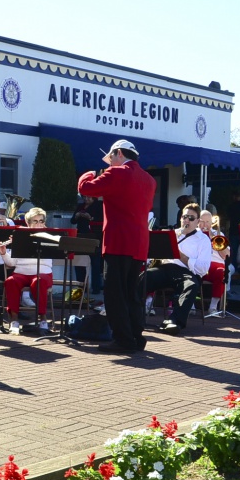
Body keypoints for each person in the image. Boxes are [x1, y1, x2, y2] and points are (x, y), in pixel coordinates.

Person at [77, 139, 156, 353]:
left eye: (111, 157)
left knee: (115, 294)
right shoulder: (149, 179)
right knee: (132, 293)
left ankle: (123, 339)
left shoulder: (118, 173)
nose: (110, 163)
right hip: (139, 243)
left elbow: (85, 188)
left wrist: (90, 173)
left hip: (119, 241)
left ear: (119, 154)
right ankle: (136, 336)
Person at [144, 204, 211, 335]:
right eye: (184, 217)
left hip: (187, 272)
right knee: (142, 278)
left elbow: (203, 269)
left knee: (191, 286)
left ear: (198, 221)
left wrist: (181, 255)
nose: (186, 220)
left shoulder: (203, 240)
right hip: (165, 269)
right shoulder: (172, 234)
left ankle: (175, 321)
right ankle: (130, 316)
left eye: (191, 218)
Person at [0, 207, 54, 334]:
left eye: (41, 221)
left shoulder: (49, 237)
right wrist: (3, 253)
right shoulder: (20, 236)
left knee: (38, 282)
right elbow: (11, 263)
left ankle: (43, 319)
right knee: (10, 281)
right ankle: (14, 320)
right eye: (35, 221)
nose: (39, 224)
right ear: (28, 223)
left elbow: (49, 262)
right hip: (21, 272)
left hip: (42, 273)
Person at [198, 210, 229, 316]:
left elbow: (226, 256)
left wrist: (215, 240)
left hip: (216, 265)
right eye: (202, 221)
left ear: (212, 223)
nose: (205, 225)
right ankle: (190, 306)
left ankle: (213, 307)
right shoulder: (195, 234)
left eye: (207, 222)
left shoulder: (219, 234)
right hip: (199, 265)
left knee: (222, 272)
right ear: (198, 222)